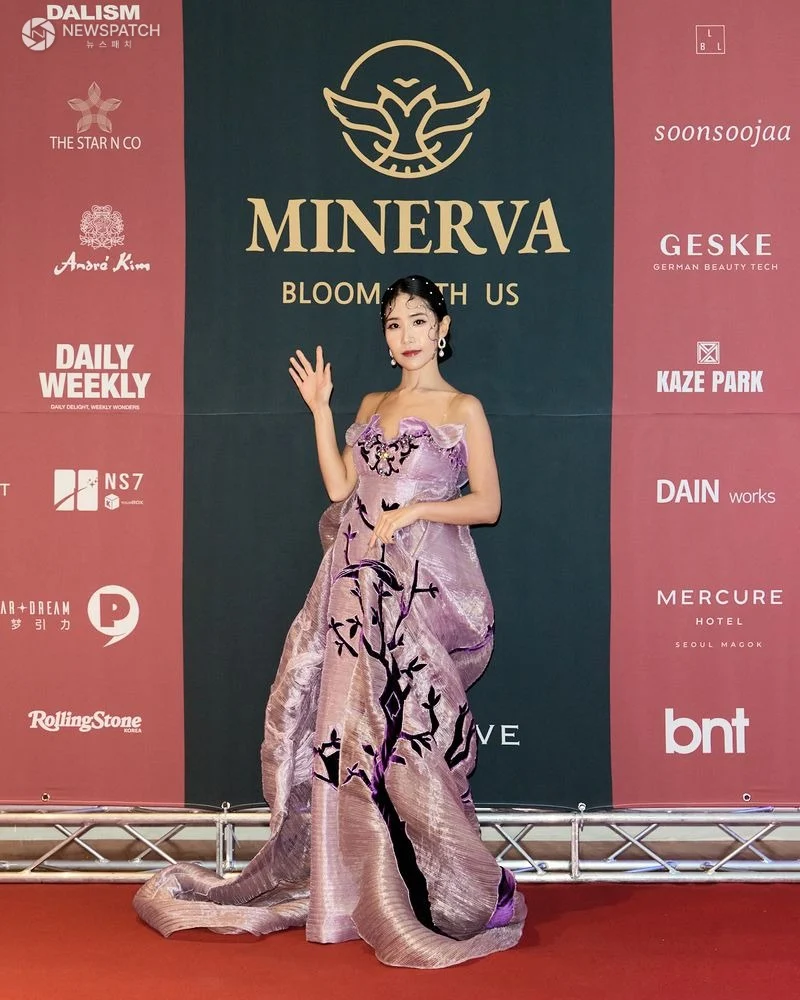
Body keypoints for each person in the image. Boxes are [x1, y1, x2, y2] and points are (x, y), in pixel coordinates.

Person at [133, 275, 526, 968]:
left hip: (416, 587)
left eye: (417, 321)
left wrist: (418, 509)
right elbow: (342, 488)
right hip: (351, 584)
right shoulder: (372, 404)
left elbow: (488, 503)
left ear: (442, 328)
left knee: (410, 739)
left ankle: (449, 890)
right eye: (393, 324)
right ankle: (344, 892)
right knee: (343, 734)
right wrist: (320, 410)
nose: (405, 335)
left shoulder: (462, 408)